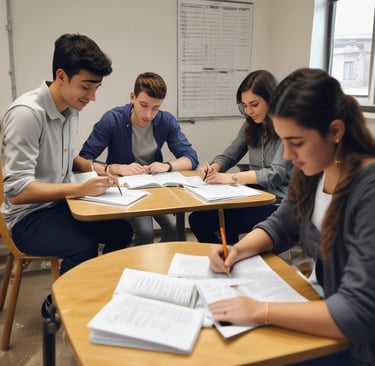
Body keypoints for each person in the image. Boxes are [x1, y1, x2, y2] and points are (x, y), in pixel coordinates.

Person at [208, 68, 375, 365]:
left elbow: (358, 311)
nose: (286, 154)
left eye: (296, 142)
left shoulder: (368, 190)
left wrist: (262, 311)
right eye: (283, 140)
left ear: (335, 131)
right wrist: (238, 249)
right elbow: (284, 223)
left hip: (360, 345)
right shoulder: (313, 168)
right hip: (329, 312)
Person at [1, 33, 134, 317]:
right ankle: (58, 308)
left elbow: (64, 159)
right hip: (26, 217)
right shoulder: (27, 114)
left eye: (96, 87)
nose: (92, 97)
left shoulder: (70, 109)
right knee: (82, 246)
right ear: (61, 76)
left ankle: (91, 291)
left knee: (122, 230)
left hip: (56, 206)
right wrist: (78, 190)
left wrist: (98, 169)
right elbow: (18, 191)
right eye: (86, 87)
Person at [74, 72, 199, 245]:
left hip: (153, 186)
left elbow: (191, 158)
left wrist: (166, 166)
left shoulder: (165, 121)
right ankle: (134, 267)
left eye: (155, 108)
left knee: (175, 229)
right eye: (144, 105)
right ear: (133, 97)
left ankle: (159, 264)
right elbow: (82, 161)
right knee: (146, 232)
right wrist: (114, 168)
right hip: (125, 188)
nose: (148, 114)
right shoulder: (113, 119)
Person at [188, 70, 293, 244]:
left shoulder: (287, 125)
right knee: (199, 219)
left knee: (225, 222)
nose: (249, 111)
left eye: (254, 104)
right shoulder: (251, 125)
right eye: (244, 105)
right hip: (254, 197)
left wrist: (230, 177)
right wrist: (214, 168)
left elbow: (275, 174)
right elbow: (229, 155)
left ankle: (230, 259)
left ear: (271, 100)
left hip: (279, 203)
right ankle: (227, 258)